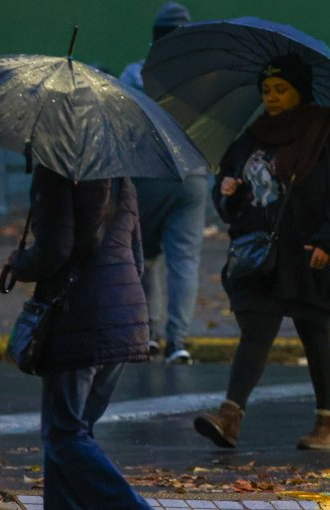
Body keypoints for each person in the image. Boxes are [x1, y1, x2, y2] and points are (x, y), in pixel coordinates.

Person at [194, 54, 330, 450]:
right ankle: (230, 416)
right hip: (262, 255)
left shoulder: (327, 135)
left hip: (309, 252)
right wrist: (227, 193)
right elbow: (229, 183)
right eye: (266, 90)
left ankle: (329, 423)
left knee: (314, 330)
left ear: (299, 92)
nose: (271, 97)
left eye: (280, 90)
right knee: (256, 331)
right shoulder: (253, 136)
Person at [8, 166, 152, 509]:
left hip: (79, 317)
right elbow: (138, 258)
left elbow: (54, 250)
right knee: (73, 431)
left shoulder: (56, 171)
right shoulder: (121, 175)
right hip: (125, 315)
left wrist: (19, 263)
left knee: (63, 434)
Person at [120, 1, 205, 364]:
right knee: (184, 261)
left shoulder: (135, 74)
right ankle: (179, 341)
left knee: (145, 255)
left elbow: (121, 120)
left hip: (146, 175)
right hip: (191, 177)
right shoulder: (204, 77)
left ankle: (148, 335)